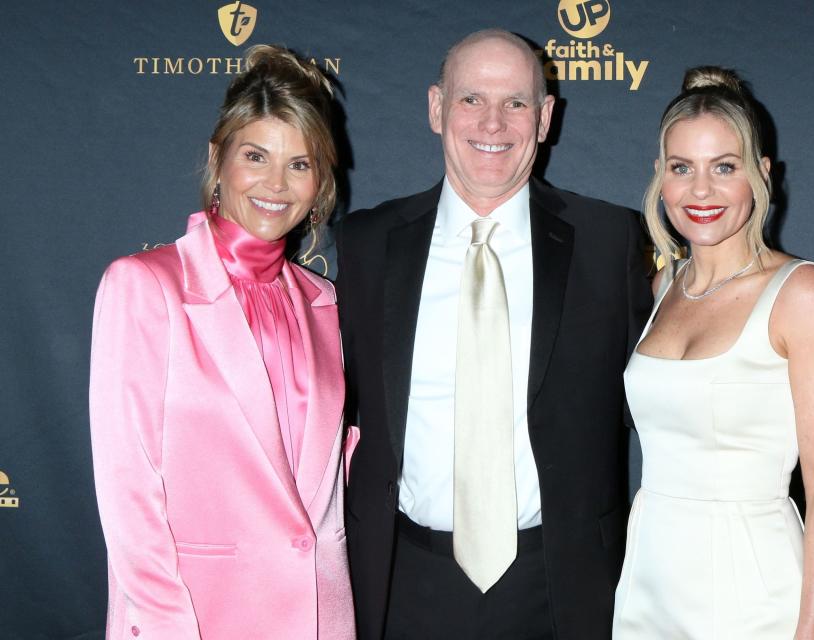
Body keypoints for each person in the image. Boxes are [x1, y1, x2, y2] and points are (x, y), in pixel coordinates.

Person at [336, 29, 649, 639]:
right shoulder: (365, 244)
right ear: (435, 108)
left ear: (546, 117)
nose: (493, 122)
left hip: (564, 585)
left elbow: (667, 378)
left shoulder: (610, 241)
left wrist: (786, 384)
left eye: (516, 103)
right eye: (471, 99)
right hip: (403, 581)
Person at [89, 45, 356, 639]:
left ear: (321, 180)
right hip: (196, 619)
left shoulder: (325, 304)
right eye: (256, 156)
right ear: (219, 158)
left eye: (300, 163)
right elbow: (128, 490)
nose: (275, 184)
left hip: (319, 619)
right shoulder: (145, 286)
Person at [612, 67, 814, 639]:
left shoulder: (803, 294)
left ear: (761, 175)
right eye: (683, 168)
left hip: (754, 588)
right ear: (660, 177)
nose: (701, 191)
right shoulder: (659, 289)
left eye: (725, 167)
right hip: (649, 579)